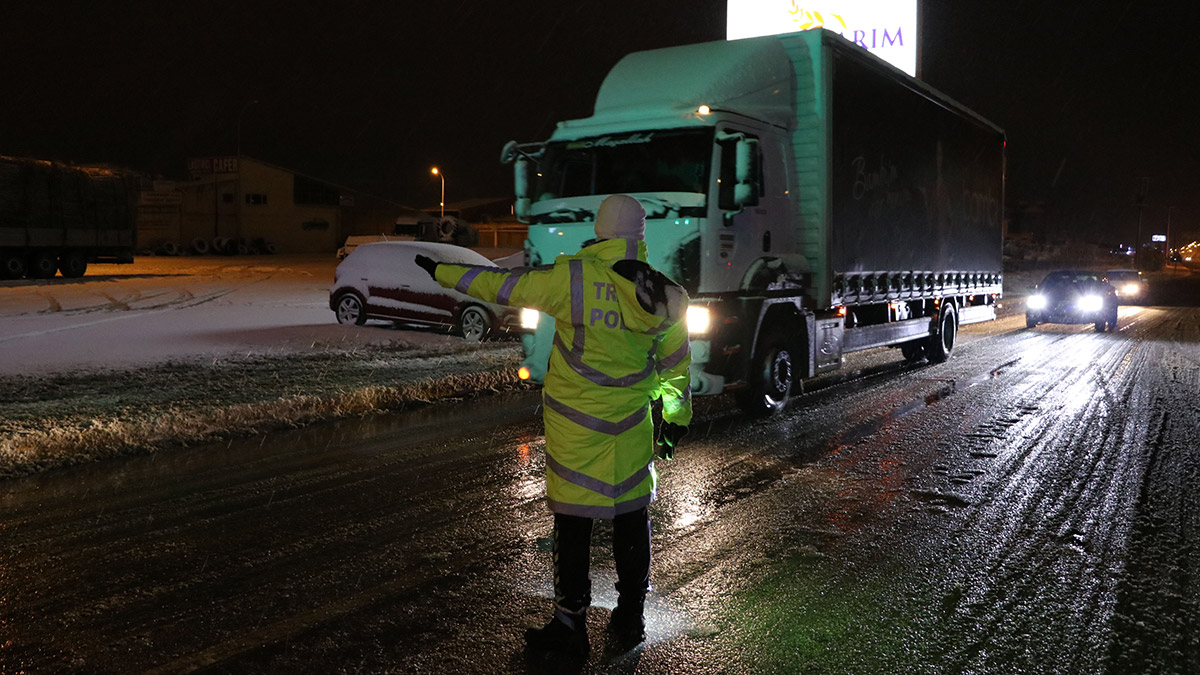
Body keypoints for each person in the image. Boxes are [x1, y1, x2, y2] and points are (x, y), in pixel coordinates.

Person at [415, 194, 692, 656]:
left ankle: (570, 627)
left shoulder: (573, 278)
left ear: (600, 229)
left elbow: (502, 286)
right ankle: (630, 618)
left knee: (573, 525)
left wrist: (442, 271)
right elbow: (677, 367)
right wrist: (676, 421)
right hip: (631, 428)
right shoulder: (669, 296)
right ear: (640, 237)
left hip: (576, 429)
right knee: (631, 520)